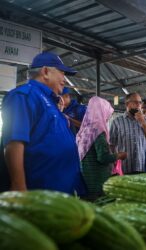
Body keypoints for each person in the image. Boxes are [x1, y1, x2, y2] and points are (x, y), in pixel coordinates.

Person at [0, 52, 86, 195]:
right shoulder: (24, 96)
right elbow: (14, 142)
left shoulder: (49, 102)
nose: (64, 80)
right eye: (62, 73)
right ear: (45, 71)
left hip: (60, 193)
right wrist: (19, 189)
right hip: (39, 196)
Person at [76, 96, 126, 200]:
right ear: (101, 112)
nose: (107, 117)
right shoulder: (98, 131)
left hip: (86, 178)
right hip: (97, 181)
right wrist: (118, 155)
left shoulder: (85, 129)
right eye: (107, 113)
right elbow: (103, 158)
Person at [109, 93, 146, 174]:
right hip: (124, 168)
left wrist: (143, 123)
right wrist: (112, 165)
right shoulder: (117, 122)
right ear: (127, 104)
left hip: (143, 166)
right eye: (135, 102)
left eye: (140, 102)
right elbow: (111, 145)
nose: (138, 105)